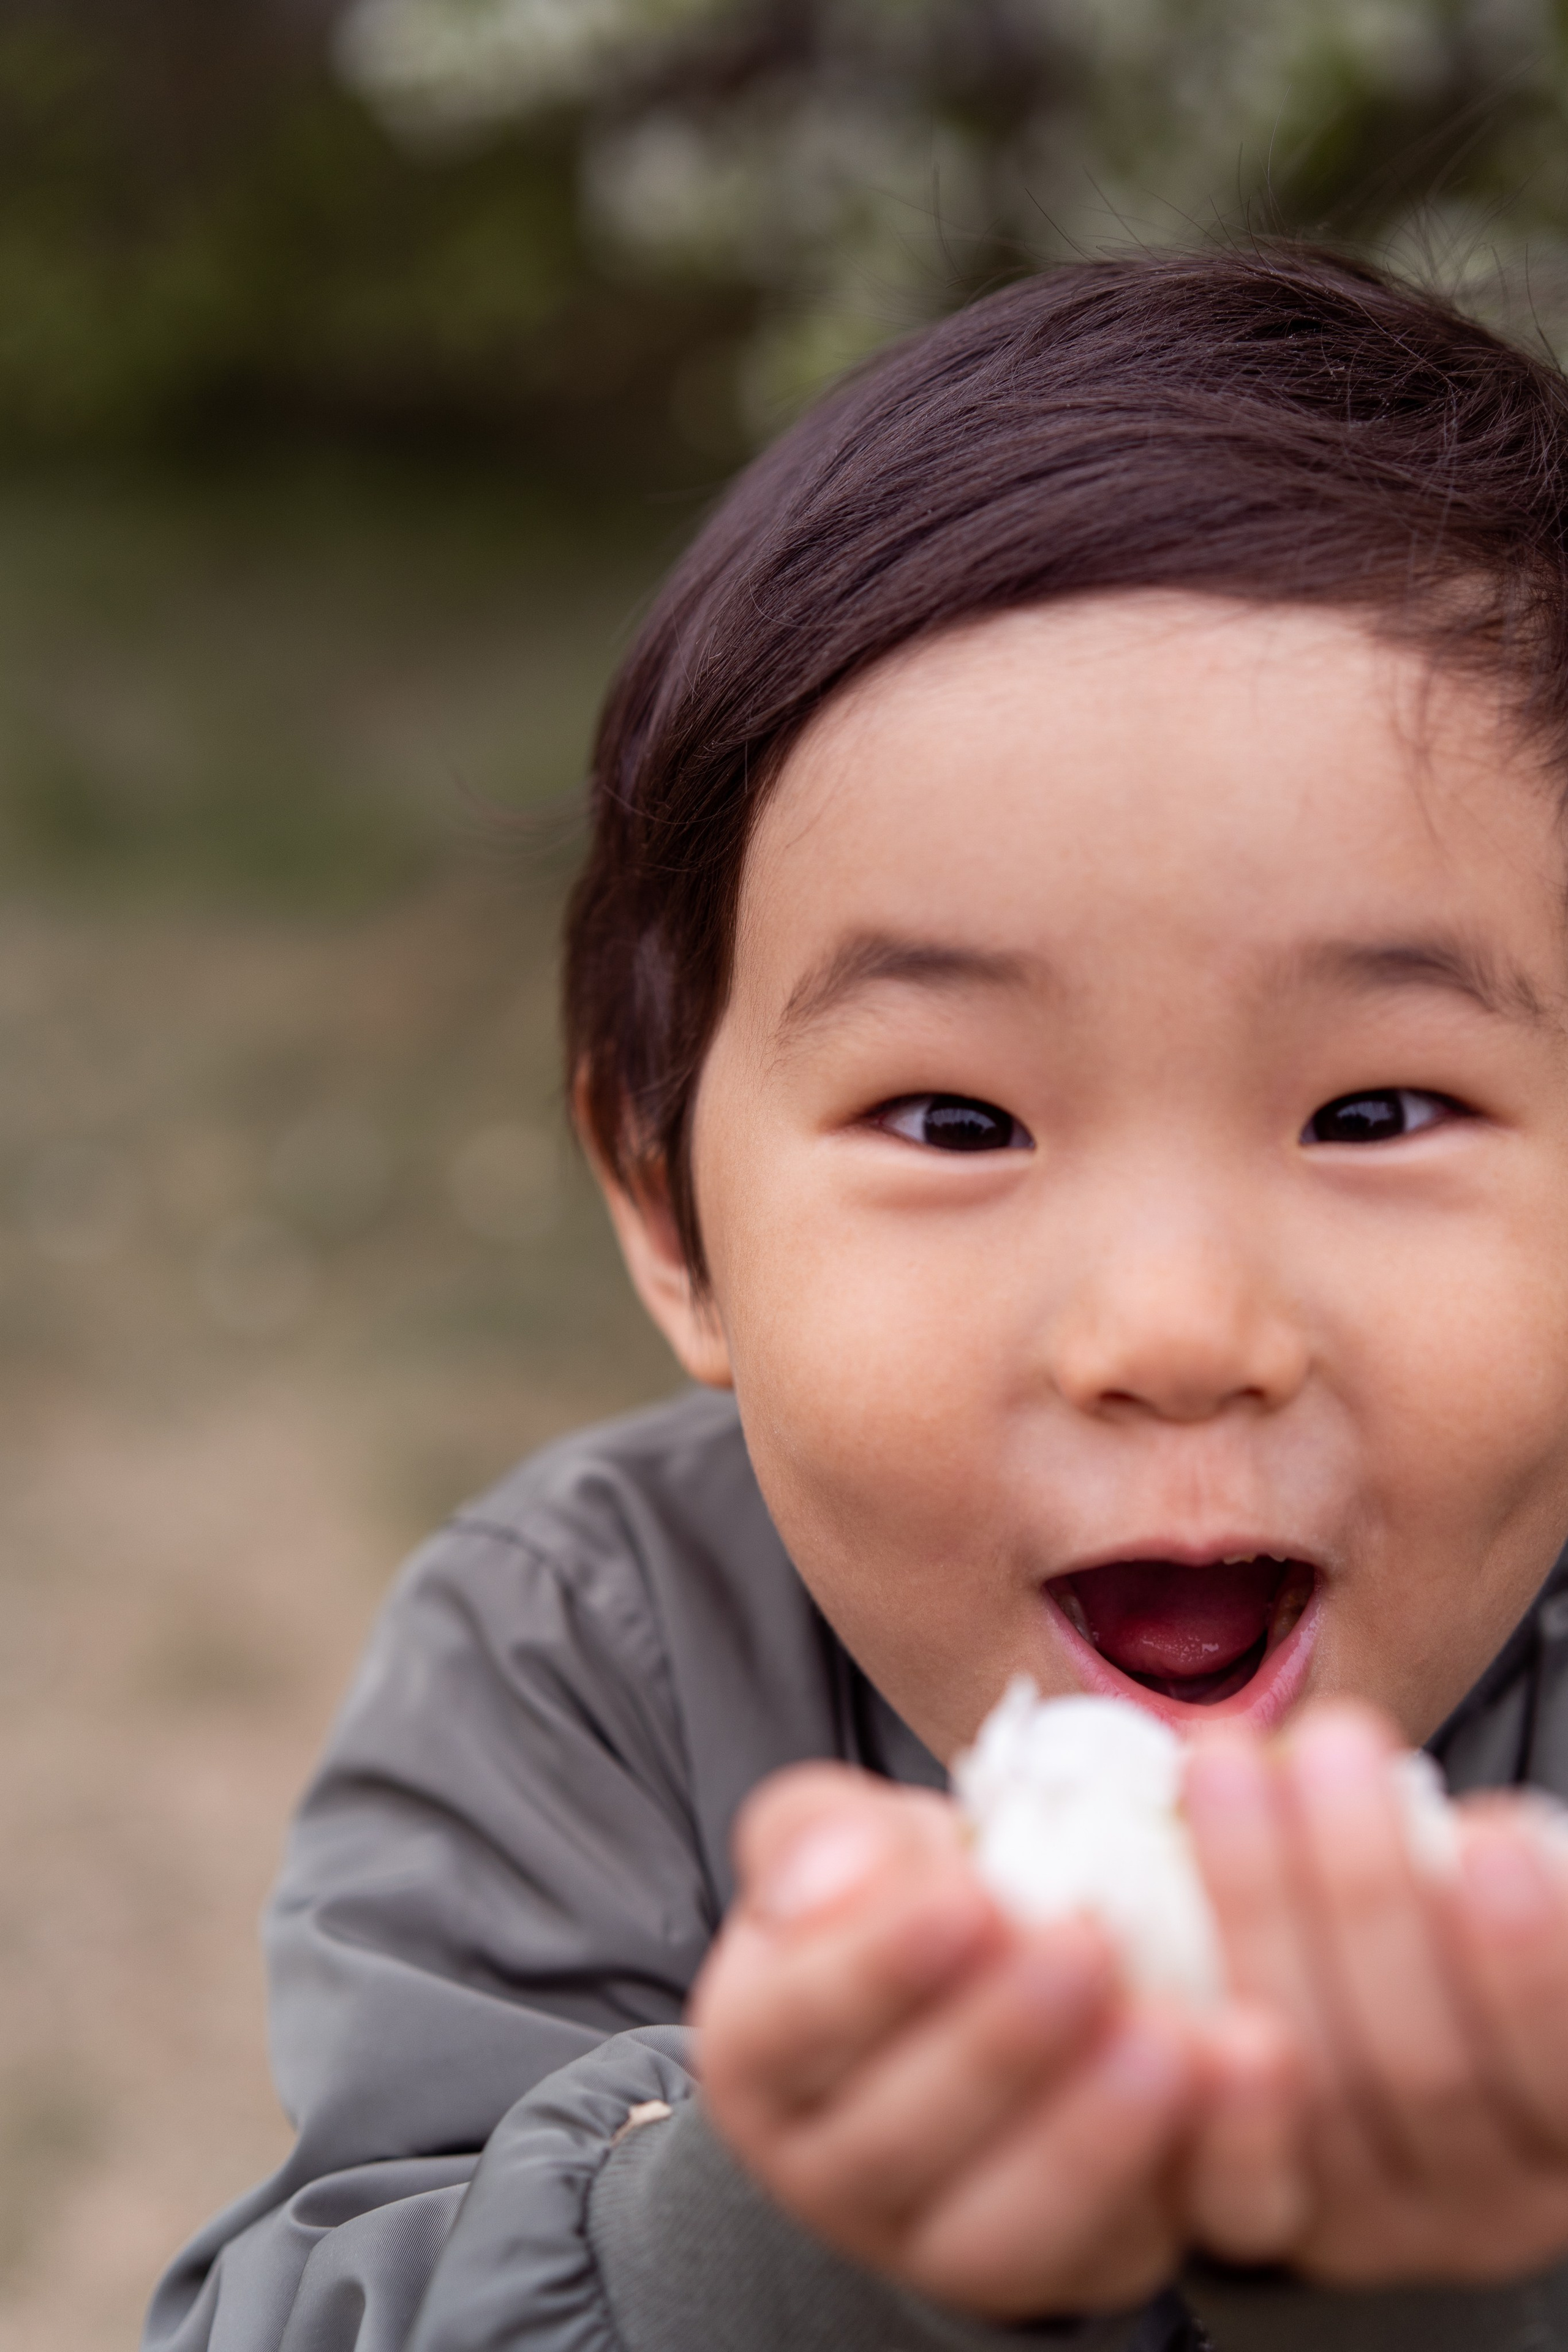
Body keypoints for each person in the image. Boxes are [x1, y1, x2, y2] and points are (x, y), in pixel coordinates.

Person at [145, 244, 1568, 2352]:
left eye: (1374, 1108)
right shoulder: (586, 1656)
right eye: (959, 1124)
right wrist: (788, 2246)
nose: (1173, 1333)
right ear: (667, 1207)